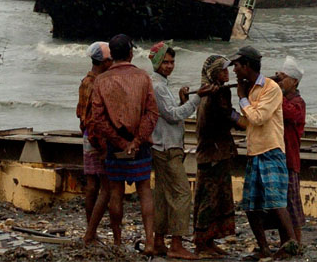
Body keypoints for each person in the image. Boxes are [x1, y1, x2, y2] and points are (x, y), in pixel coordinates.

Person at [83, 34, 159, 252]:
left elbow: (98, 118)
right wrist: (137, 140)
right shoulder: (144, 77)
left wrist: (119, 141)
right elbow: (152, 113)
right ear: (131, 53)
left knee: (116, 192)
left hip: (115, 146)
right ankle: (150, 241)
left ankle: (117, 242)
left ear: (112, 56)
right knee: (144, 190)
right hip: (140, 144)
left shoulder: (101, 80)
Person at [226, 46, 297, 259]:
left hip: (271, 151)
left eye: (237, 66)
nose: (235, 71)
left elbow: (257, 118)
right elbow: (247, 121)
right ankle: (264, 248)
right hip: (254, 152)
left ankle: (290, 245)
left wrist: (241, 97)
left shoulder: (271, 88)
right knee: (251, 204)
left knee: (275, 201)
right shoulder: (251, 89)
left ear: (247, 66)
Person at [149, 41, 209, 259]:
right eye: (165, 62)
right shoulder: (157, 87)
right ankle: (176, 244)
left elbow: (173, 111)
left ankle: (158, 241)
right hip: (167, 148)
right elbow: (173, 115)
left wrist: (184, 100)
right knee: (182, 194)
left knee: (164, 196)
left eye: (172, 62)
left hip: (164, 146)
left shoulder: (162, 85)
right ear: (156, 62)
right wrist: (197, 97)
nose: (169, 65)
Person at [192, 54, 237, 258]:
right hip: (211, 155)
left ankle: (209, 242)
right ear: (214, 73)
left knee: (217, 198)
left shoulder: (220, 92)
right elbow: (227, 118)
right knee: (208, 200)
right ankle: (202, 244)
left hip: (218, 153)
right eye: (223, 70)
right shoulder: (211, 95)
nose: (227, 73)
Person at [77, 42, 112, 226]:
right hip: (96, 137)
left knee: (91, 185)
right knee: (106, 187)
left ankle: (90, 226)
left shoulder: (85, 81)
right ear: (103, 62)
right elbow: (95, 117)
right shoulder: (98, 84)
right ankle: (92, 229)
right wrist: (101, 144)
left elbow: (80, 114)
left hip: (87, 136)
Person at [275, 56, 306, 244]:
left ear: (294, 81)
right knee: (280, 204)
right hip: (278, 156)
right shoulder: (284, 99)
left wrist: (274, 91)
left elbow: (289, 113)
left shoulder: (298, 103)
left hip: (290, 159)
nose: (281, 81)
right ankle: (286, 241)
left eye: (284, 78)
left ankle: (297, 242)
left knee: (292, 204)